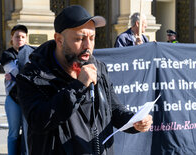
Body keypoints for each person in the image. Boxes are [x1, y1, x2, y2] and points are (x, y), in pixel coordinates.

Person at [16, 5, 153, 155]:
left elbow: (113, 109)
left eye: (92, 38)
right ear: (59, 40)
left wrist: (134, 121)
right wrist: (78, 86)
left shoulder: (98, 68)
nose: (88, 45)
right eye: (80, 38)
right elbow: (39, 121)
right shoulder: (33, 75)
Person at [0, 24, 35, 155]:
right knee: (14, 133)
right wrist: (19, 76)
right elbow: (15, 71)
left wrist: (15, 77)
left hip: (29, 99)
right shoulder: (7, 54)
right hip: (13, 99)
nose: (20, 39)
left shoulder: (31, 52)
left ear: (26, 39)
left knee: (28, 132)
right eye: (17, 36)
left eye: (22, 36)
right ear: (12, 38)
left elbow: (26, 74)